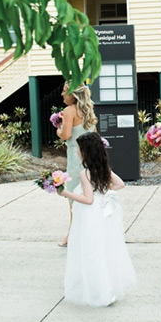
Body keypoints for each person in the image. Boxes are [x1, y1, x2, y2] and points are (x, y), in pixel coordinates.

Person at [58, 132, 136, 307]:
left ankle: (101, 291)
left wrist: (65, 193)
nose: (77, 152)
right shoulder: (103, 168)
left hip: (91, 216)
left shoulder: (85, 173)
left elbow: (88, 199)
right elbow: (120, 184)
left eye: (78, 149)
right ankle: (109, 288)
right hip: (104, 215)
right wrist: (103, 192)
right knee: (105, 249)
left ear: (85, 152)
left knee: (93, 251)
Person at [56, 82, 97, 247]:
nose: (62, 94)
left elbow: (66, 135)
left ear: (73, 94)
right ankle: (88, 235)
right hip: (90, 158)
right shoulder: (89, 111)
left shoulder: (69, 111)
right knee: (90, 196)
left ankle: (72, 236)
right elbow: (94, 135)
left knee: (74, 197)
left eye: (64, 91)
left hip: (75, 158)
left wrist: (58, 129)